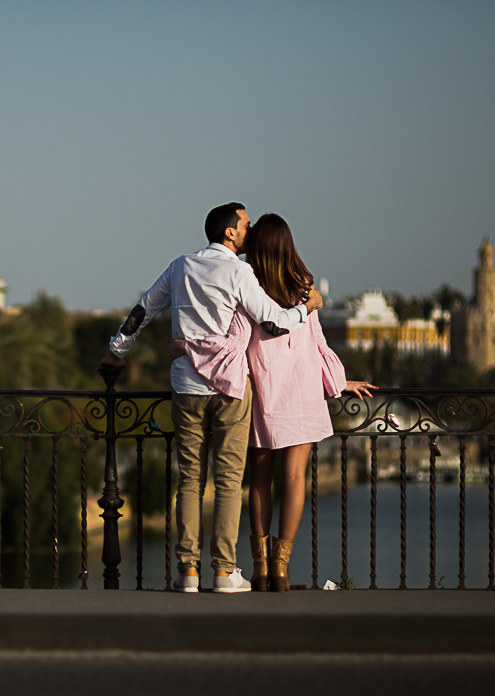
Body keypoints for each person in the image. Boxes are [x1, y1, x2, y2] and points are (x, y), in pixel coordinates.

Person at [100, 202, 323, 594]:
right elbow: (273, 323)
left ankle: (187, 571)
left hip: (186, 385)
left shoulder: (179, 266)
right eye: (246, 225)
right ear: (230, 233)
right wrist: (306, 308)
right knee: (228, 481)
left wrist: (117, 350)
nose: (250, 231)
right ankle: (223, 571)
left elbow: (143, 310)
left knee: (189, 479)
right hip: (231, 388)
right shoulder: (239, 272)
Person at [179, 214, 374, 591]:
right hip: (302, 392)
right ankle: (282, 567)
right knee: (295, 478)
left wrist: (186, 346)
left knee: (260, 481)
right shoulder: (305, 287)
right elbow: (319, 343)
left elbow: (233, 339)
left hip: (263, 389)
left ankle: (261, 566)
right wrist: (338, 382)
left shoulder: (247, 282)